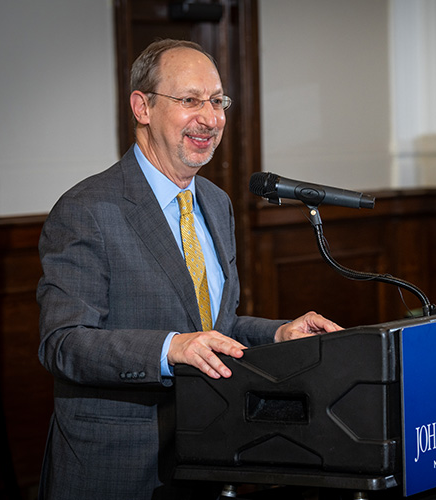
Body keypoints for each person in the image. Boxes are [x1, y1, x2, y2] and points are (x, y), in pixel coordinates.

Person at [36, 39, 341, 500]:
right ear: (142, 107)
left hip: (210, 453)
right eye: (190, 100)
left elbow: (216, 327)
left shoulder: (215, 204)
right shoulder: (87, 209)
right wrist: (169, 348)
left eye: (217, 101)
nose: (212, 118)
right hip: (118, 465)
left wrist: (279, 335)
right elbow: (63, 343)